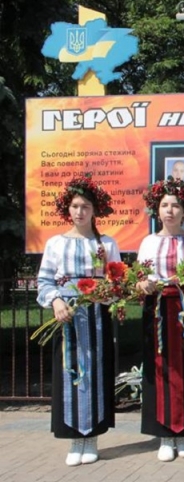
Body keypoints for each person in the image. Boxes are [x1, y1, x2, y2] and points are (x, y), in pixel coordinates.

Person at [37, 174, 120, 466]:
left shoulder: (106, 243)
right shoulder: (55, 243)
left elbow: (116, 280)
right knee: (69, 370)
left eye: (85, 206)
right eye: (75, 205)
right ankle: (75, 440)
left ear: (95, 210)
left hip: (96, 316)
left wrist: (106, 292)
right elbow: (45, 281)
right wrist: (57, 301)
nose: (80, 211)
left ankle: (92, 438)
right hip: (68, 317)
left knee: (96, 373)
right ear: (67, 209)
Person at [136, 178, 184, 462]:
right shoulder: (148, 242)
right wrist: (142, 285)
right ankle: (165, 436)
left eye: (175, 205)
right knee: (161, 369)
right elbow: (139, 279)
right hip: (157, 312)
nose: (170, 210)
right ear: (157, 210)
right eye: (164, 205)